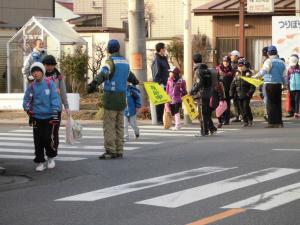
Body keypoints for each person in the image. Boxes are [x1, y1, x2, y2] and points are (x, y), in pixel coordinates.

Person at [88, 39, 139, 159]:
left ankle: (110, 151)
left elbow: (104, 73)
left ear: (109, 50)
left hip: (111, 97)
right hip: (122, 98)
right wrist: (135, 81)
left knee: (109, 125)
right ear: (119, 49)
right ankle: (119, 150)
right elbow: (131, 76)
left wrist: (93, 84)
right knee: (119, 125)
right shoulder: (125, 62)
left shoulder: (110, 62)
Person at [23, 62, 61, 172]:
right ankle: (39, 161)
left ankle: (50, 157)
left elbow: (55, 99)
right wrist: (27, 109)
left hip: (49, 117)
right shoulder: (31, 86)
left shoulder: (50, 84)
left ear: (42, 72)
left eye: (37, 71)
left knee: (48, 139)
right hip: (36, 117)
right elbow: (26, 100)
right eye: (33, 72)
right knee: (38, 140)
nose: (35, 73)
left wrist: (55, 115)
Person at [42, 55, 71, 152]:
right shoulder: (41, 76)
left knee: (54, 131)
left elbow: (63, 92)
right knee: (45, 132)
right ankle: (47, 149)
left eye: (51, 65)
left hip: (56, 109)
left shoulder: (59, 77)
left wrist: (66, 106)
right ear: (44, 65)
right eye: (47, 65)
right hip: (44, 109)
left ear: (54, 65)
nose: (49, 67)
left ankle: (54, 151)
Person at [253, 45, 287, 128]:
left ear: (268, 53)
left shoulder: (268, 61)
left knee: (270, 104)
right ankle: (279, 122)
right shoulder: (282, 62)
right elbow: (284, 76)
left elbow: (264, 71)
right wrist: (285, 85)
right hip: (278, 85)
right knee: (278, 103)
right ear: (276, 52)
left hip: (269, 83)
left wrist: (255, 76)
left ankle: (272, 122)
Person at [191, 53, 217, 136]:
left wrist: (192, 91)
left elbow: (199, 83)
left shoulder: (198, 71)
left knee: (202, 114)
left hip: (201, 94)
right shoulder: (207, 70)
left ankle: (204, 131)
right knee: (206, 113)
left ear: (193, 61)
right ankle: (212, 128)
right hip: (208, 93)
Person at [230, 58, 256, 127]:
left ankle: (250, 119)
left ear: (245, 66)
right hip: (238, 94)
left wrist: (249, 93)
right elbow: (233, 85)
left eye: (242, 66)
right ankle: (245, 121)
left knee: (246, 107)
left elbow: (253, 86)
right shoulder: (237, 74)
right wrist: (231, 93)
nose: (240, 67)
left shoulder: (249, 74)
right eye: (239, 66)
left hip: (246, 94)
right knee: (241, 108)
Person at [151, 42, 170, 124]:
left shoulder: (164, 59)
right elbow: (156, 73)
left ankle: (165, 118)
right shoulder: (157, 60)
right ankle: (159, 119)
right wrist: (160, 83)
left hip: (166, 83)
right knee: (160, 102)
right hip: (160, 83)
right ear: (161, 49)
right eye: (164, 48)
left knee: (165, 101)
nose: (165, 50)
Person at [165, 66, 187, 130]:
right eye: (169, 72)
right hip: (170, 99)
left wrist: (184, 95)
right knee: (172, 112)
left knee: (176, 111)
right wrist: (166, 98)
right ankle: (177, 123)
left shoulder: (181, 81)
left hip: (178, 99)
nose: (169, 73)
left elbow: (184, 90)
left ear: (175, 73)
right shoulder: (169, 80)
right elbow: (167, 89)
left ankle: (177, 125)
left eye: (171, 72)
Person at [216, 56, 234, 126]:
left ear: (229, 62)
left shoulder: (231, 69)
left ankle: (226, 120)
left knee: (227, 105)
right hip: (220, 89)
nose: (225, 63)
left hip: (228, 89)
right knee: (220, 104)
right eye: (224, 61)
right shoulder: (218, 68)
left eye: (227, 61)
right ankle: (221, 119)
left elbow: (232, 78)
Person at [230, 50, 242, 123]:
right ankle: (237, 116)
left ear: (236, 56)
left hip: (240, 85)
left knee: (240, 101)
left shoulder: (240, 63)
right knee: (235, 100)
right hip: (233, 85)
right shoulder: (231, 63)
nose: (231, 57)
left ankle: (243, 116)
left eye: (232, 55)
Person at [287, 54, 300, 118]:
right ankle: (292, 112)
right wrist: (287, 86)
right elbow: (288, 78)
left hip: (298, 88)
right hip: (291, 87)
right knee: (292, 100)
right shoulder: (289, 69)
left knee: (297, 100)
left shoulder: (299, 68)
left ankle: (296, 112)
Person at [259, 46, 269, 121]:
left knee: (267, 97)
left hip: (267, 80)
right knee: (264, 96)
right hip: (263, 80)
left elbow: (263, 71)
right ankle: (267, 113)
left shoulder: (268, 60)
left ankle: (267, 113)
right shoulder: (264, 60)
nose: (264, 54)